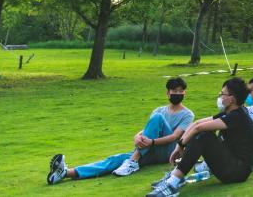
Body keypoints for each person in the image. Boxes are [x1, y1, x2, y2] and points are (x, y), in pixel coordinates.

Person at [47, 77, 193, 185]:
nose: (178, 93)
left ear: (184, 93)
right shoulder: (159, 110)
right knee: (115, 159)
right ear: (168, 93)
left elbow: (175, 136)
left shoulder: (187, 114)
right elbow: (148, 129)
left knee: (157, 118)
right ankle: (66, 173)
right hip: (150, 148)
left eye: (181, 91)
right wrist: (138, 136)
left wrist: (152, 142)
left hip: (169, 152)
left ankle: (133, 160)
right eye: (175, 91)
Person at [146, 77, 253, 196]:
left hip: (238, 172)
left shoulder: (237, 116)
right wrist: (180, 145)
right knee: (200, 134)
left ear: (232, 99)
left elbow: (198, 128)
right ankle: (175, 177)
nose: (220, 96)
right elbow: (197, 123)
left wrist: (181, 145)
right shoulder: (231, 112)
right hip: (232, 164)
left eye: (222, 94)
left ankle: (172, 184)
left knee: (203, 136)